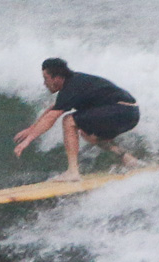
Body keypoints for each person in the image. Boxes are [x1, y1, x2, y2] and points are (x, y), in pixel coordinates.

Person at [13, 57, 143, 182]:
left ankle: (73, 172)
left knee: (69, 121)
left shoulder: (71, 87)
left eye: (46, 78)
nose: (44, 83)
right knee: (88, 134)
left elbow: (52, 117)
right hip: (131, 113)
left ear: (57, 78)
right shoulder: (74, 83)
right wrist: (31, 129)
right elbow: (53, 109)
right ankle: (128, 159)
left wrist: (27, 141)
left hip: (122, 110)